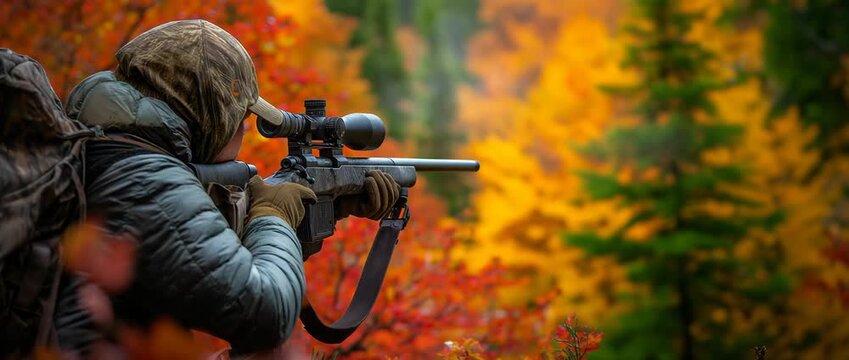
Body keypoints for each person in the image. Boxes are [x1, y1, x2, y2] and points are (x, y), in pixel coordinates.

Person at [52, 19, 399, 356]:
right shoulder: (148, 179)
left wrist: (321, 211)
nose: (244, 132)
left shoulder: (113, 152)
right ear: (212, 114)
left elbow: (196, 271)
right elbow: (266, 315)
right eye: (242, 119)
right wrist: (272, 217)